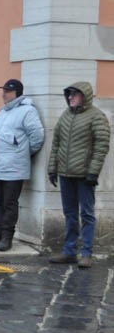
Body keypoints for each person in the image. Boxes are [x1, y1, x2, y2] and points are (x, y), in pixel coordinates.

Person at [47, 81, 110, 268]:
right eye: (69, 94)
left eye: (74, 94)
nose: (70, 97)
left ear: (84, 96)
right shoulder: (65, 116)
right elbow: (56, 143)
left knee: (88, 214)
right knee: (70, 214)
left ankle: (87, 254)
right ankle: (69, 252)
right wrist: (52, 169)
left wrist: (93, 172)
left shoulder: (97, 117)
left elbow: (101, 146)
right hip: (66, 175)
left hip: (84, 176)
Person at [0, 79, 44, 251]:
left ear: (17, 93)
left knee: (10, 203)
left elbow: (37, 137)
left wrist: (22, 154)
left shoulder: (28, 111)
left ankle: (7, 236)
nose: (4, 94)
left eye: (8, 91)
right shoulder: (3, 112)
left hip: (15, 167)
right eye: (3, 90)